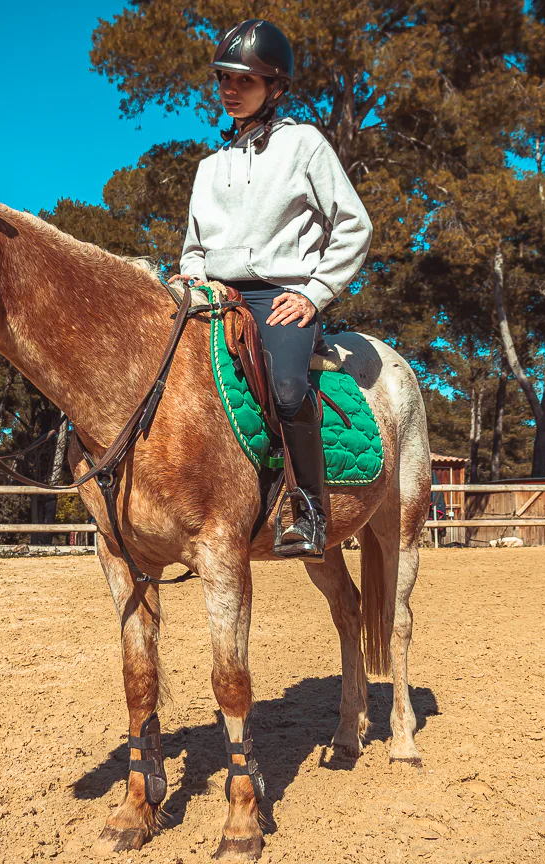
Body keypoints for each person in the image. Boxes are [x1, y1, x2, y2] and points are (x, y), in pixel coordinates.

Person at [169, 19, 372, 562]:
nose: (230, 89)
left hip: (280, 296)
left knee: (285, 388)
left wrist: (315, 291)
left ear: (275, 87)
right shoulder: (208, 167)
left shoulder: (304, 144)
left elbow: (354, 224)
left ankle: (309, 510)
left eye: (245, 80)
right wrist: (191, 277)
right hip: (214, 298)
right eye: (224, 79)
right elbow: (193, 247)